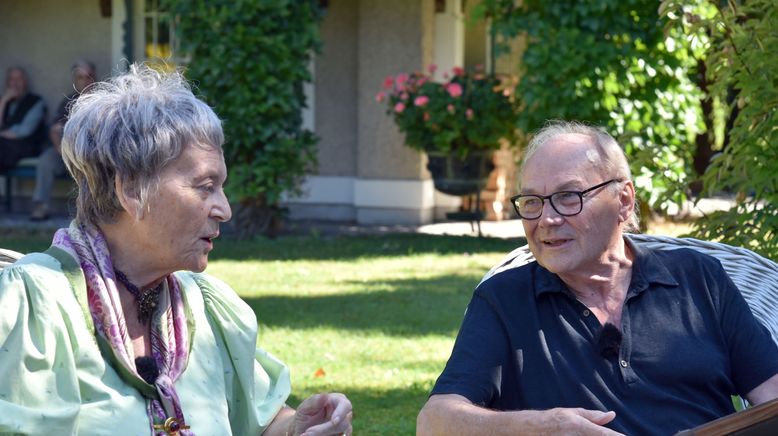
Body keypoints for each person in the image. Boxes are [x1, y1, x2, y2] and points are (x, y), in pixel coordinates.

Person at [0, 64, 352, 436]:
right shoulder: (33, 306)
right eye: (205, 186)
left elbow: (258, 422)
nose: (225, 209)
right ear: (133, 190)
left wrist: (297, 427)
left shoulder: (206, 308)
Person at [417, 121, 778, 435]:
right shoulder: (505, 301)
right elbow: (435, 423)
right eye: (532, 201)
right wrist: (539, 429)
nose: (546, 219)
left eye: (568, 196)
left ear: (623, 200)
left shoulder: (699, 279)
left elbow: (772, 400)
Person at [30, 60, 97, 221]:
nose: (85, 81)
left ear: (94, 78)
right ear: (75, 81)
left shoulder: (103, 100)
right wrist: (60, 148)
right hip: (67, 151)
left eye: (88, 77)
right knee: (47, 159)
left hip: (92, 152)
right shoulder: (69, 100)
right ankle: (41, 206)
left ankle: (90, 211)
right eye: (81, 77)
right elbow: (55, 129)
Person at [0, 66, 47, 172]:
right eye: (12, 79)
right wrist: (3, 102)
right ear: (7, 83)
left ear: (25, 82)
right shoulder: (4, 101)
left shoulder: (36, 102)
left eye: (19, 79)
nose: (15, 84)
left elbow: (25, 131)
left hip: (26, 146)